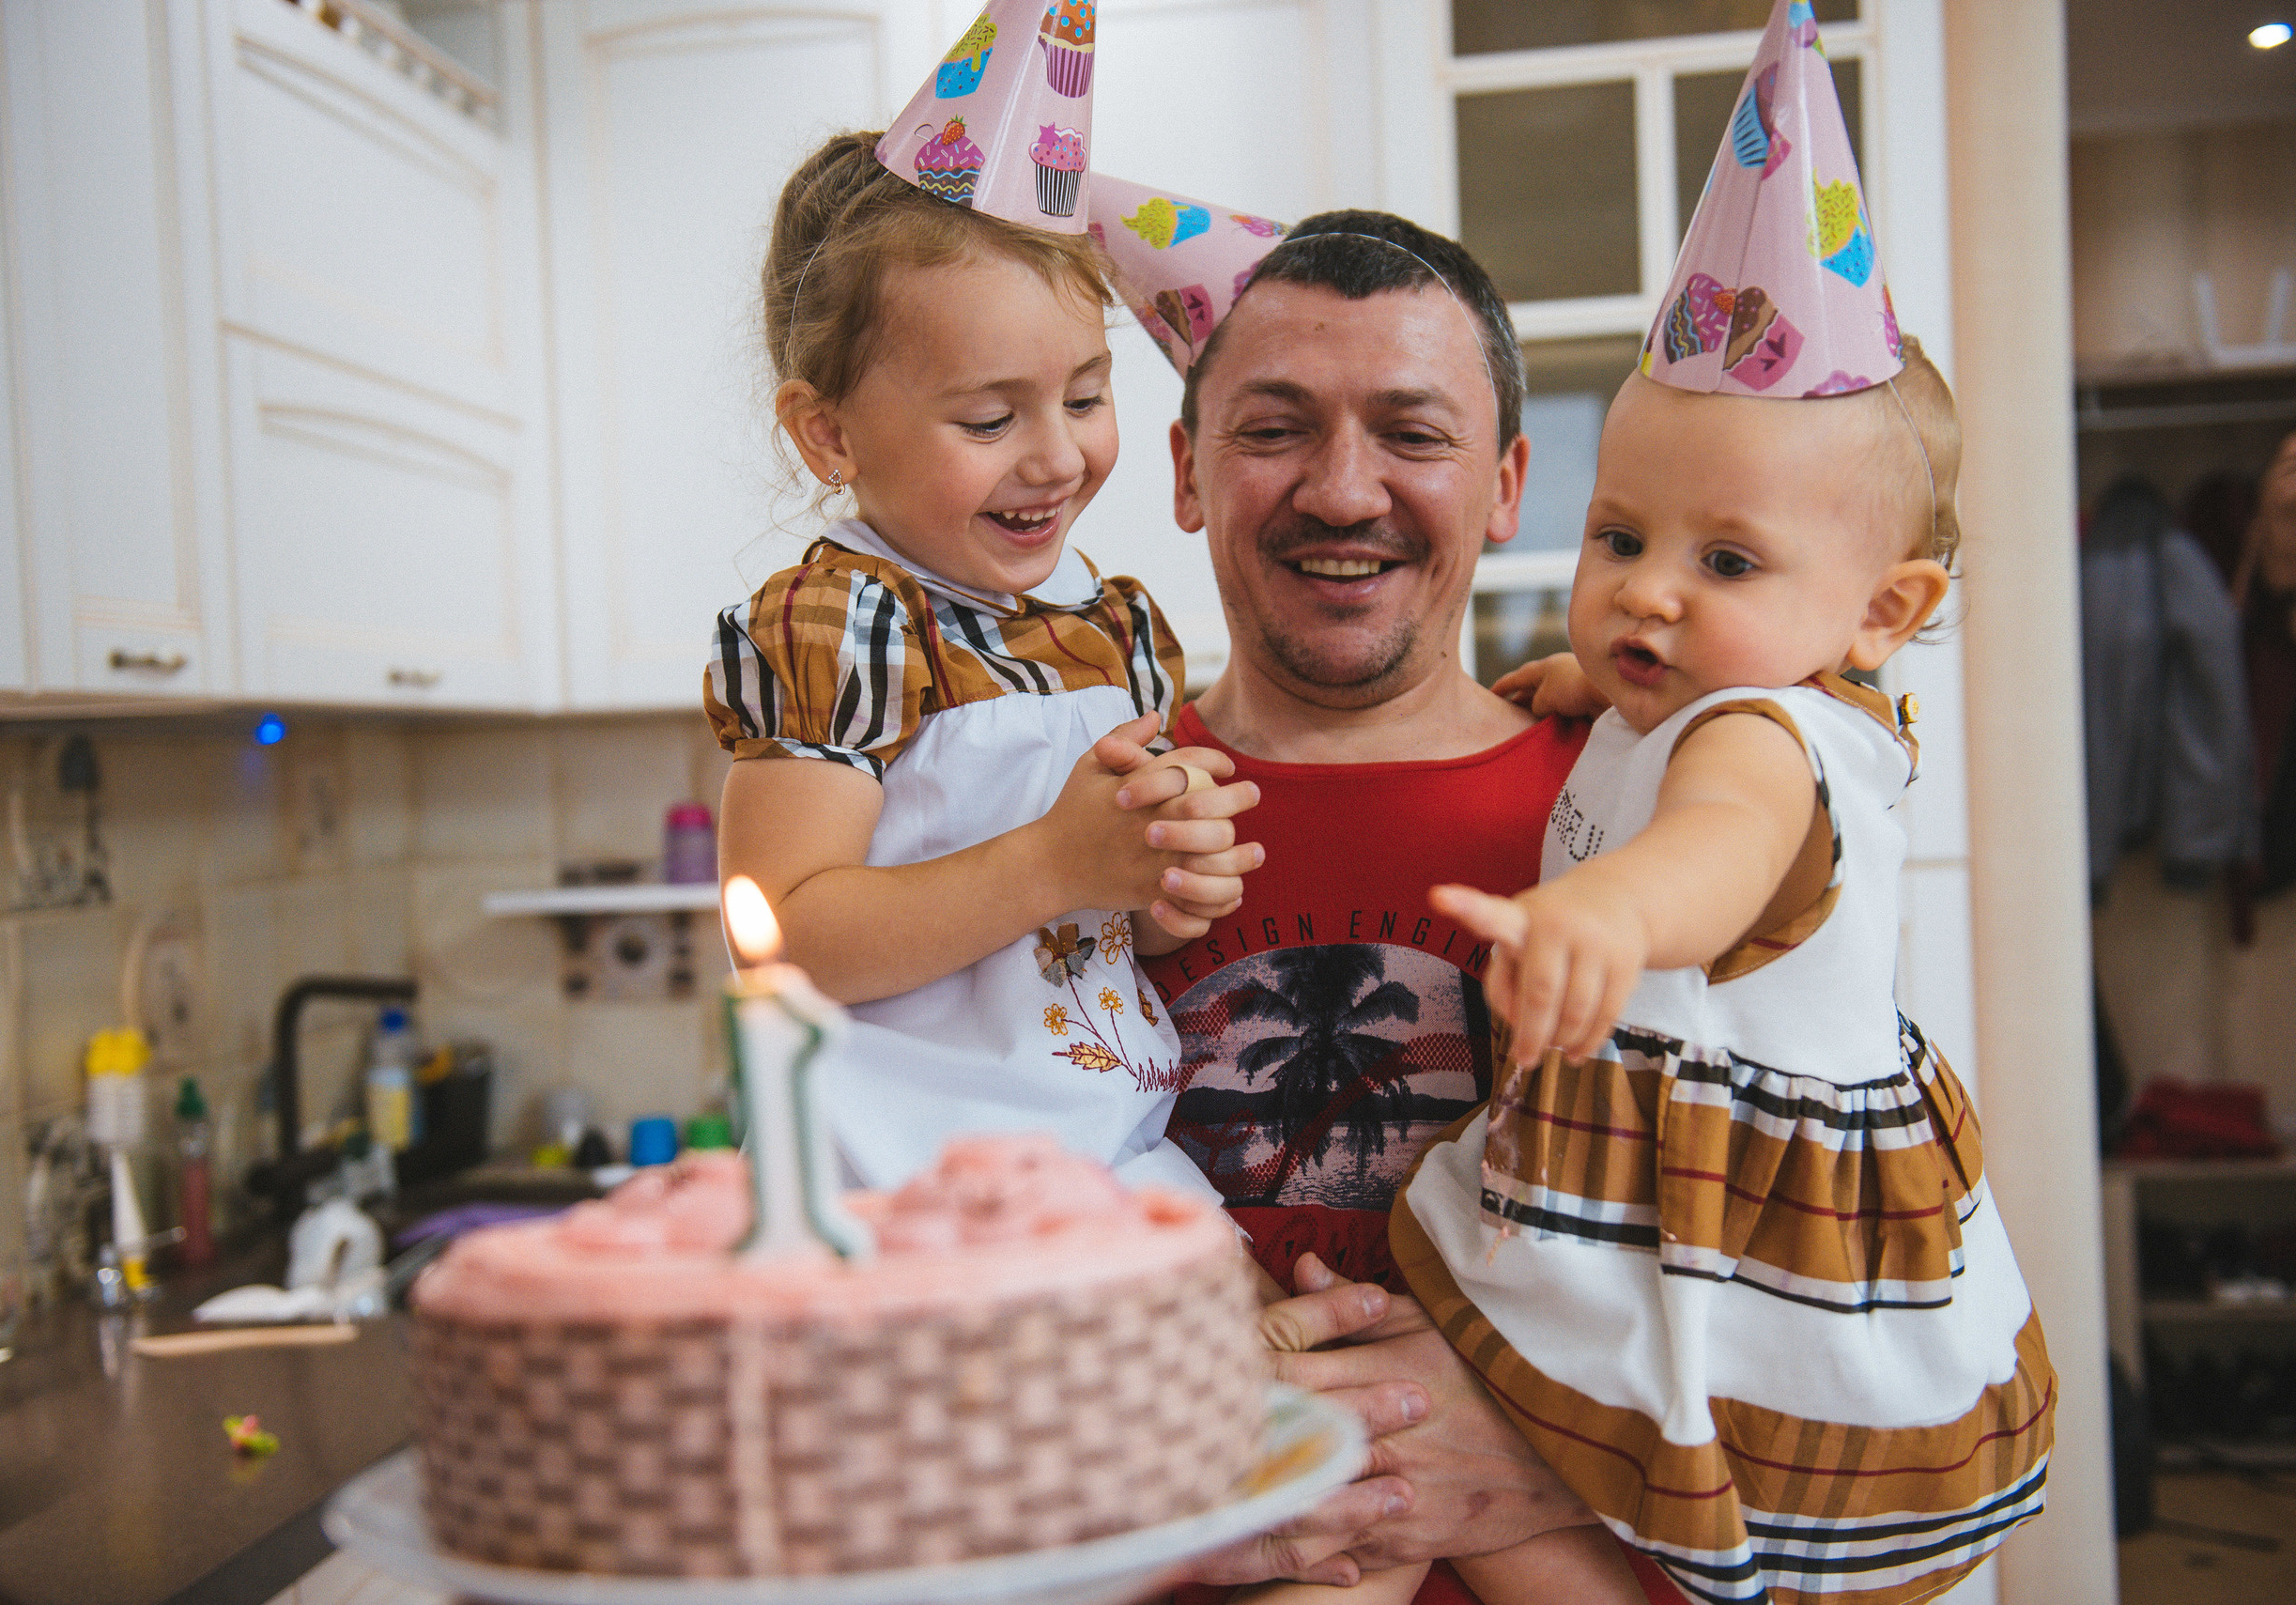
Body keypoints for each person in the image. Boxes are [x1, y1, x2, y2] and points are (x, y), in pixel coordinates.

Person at [1387, 7, 2057, 1598]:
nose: (1650, 596)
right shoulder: (1694, 694)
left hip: (1744, 1232)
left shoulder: (1767, 737)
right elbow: (1650, 733)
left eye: (1728, 560)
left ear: (1882, 609)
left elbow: (1714, 851)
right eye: (1623, 537)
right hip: (1687, 1172)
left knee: (1607, 1486)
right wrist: (1575, 685)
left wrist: (1598, 913)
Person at [1120, 204, 1672, 1605]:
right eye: (1275, 428)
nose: (1345, 491)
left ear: (1506, 483)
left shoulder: (1654, 831)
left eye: (1413, 433)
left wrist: (1557, 1453)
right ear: (1188, 471)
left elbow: (1822, 1308)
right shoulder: (1076, 824)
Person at [704, 126, 1261, 1198]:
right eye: (990, 417)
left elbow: (1104, 929)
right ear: (828, 434)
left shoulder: (1112, 629)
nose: (1057, 456)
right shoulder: (843, 626)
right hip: (907, 1184)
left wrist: (1164, 866)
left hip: (1110, 1151)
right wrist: (1055, 861)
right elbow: (789, 938)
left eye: (1087, 397)